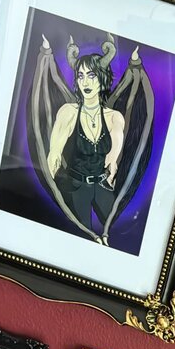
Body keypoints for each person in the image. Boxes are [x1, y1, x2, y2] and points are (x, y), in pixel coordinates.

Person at [46, 37, 125, 245]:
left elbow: (114, 156)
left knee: (118, 234)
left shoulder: (114, 117)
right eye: (80, 76)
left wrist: (112, 165)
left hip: (102, 186)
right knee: (83, 239)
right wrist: (55, 191)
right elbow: (54, 155)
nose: (85, 82)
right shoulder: (69, 112)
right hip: (74, 187)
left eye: (91, 75)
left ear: (102, 78)